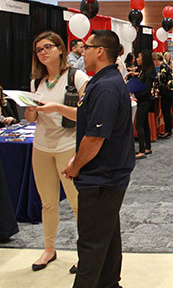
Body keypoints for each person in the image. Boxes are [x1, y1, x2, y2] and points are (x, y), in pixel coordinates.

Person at [62, 29, 135, 288]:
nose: (84, 52)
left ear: (100, 51)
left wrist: (75, 164)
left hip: (102, 176)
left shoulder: (105, 86)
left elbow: (94, 138)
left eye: (87, 47)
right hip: (107, 175)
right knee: (107, 238)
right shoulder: (105, 81)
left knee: (91, 245)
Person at [25, 31, 88, 273]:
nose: (43, 52)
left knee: (76, 203)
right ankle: (49, 249)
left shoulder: (76, 76)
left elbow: (86, 114)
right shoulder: (36, 82)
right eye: (39, 49)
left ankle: (85, 253)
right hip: (41, 146)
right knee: (48, 202)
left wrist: (57, 107)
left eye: (48, 47)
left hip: (67, 146)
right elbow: (32, 118)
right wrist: (31, 110)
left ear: (60, 49)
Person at [132, 50, 155, 159]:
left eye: (139, 57)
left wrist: (136, 92)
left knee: (139, 125)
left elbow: (146, 89)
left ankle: (142, 150)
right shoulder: (143, 71)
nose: (137, 59)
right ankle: (147, 147)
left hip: (145, 101)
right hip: (142, 100)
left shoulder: (148, 72)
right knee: (144, 124)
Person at [153, 52, 173, 139]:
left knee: (166, 111)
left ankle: (168, 131)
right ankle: (168, 129)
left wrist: (157, 88)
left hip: (168, 92)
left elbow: (162, 80)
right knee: (166, 111)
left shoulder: (163, 67)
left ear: (155, 60)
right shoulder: (164, 65)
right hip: (169, 91)